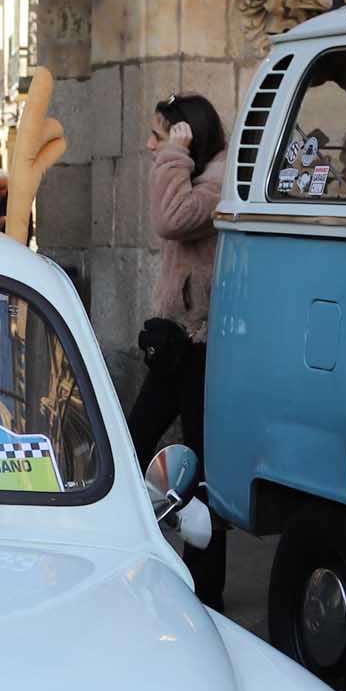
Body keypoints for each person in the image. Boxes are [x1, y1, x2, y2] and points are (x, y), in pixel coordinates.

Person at [133, 93, 228, 610]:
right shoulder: (194, 174)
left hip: (204, 345)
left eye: (160, 134)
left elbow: (171, 219)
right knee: (133, 443)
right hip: (178, 339)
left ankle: (205, 585)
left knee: (201, 466)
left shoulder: (217, 179)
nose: (152, 145)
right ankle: (141, 554)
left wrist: (174, 155)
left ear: (187, 133)